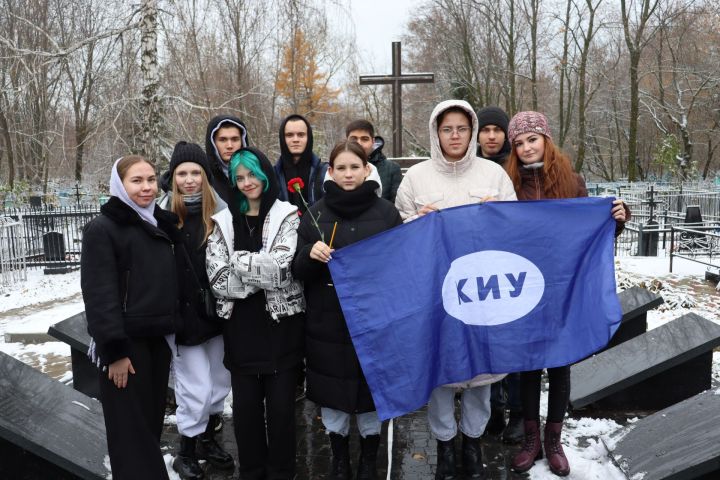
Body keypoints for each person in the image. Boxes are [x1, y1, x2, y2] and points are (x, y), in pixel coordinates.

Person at [394, 99, 517, 480]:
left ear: (473, 131)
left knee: (482, 371)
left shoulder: (494, 174)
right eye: (447, 129)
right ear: (436, 131)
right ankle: (445, 444)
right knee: (442, 371)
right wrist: (416, 221)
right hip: (436, 291)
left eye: (462, 129)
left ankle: (473, 444)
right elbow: (398, 230)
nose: (454, 136)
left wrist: (498, 214)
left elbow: (515, 228)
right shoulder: (416, 177)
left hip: (482, 290)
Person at [505, 111, 628, 477]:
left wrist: (617, 219)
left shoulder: (572, 182)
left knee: (559, 363)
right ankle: (531, 440)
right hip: (523, 287)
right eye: (520, 143)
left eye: (533, 139)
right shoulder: (508, 184)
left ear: (546, 139)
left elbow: (589, 233)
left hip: (563, 286)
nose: (527, 147)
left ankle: (554, 440)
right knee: (528, 366)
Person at [292, 140, 402, 480]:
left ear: (367, 169)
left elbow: (401, 265)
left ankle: (369, 458)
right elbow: (297, 271)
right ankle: (339, 459)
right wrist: (310, 253)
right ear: (331, 172)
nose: (348, 173)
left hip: (375, 321)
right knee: (332, 395)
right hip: (329, 323)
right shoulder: (316, 212)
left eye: (355, 166)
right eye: (341, 167)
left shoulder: (386, 213)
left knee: (371, 392)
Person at [206, 147, 305, 480]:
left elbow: (280, 270)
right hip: (241, 332)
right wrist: (257, 270)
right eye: (240, 177)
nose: (247, 182)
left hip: (280, 330)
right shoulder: (222, 222)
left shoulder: (287, 215)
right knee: (246, 414)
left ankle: (281, 473)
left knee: (280, 413)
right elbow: (218, 280)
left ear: (264, 173)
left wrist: (238, 261)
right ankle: (251, 472)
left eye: (252, 174)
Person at [81, 155, 180, 480]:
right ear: (119, 186)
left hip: (157, 341)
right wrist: (115, 352)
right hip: (126, 346)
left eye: (151, 179)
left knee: (147, 428)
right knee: (131, 436)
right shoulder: (104, 229)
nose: (147, 187)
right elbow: (100, 295)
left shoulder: (160, 223)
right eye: (136, 181)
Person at [157, 142, 234, 479]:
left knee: (218, 383)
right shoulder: (162, 217)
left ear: (205, 176)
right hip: (184, 318)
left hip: (216, 314)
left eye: (195, 173)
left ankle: (206, 437)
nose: (189, 180)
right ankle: (185, 449)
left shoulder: (220, 214)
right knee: (195, 388)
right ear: (173, 177)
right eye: (182, 173)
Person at [474, 106, 523, 443]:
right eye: (485, 129)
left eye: (497, 129)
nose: (491, 135)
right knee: (484, 341)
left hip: (511, 263)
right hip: (477, 264)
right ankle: (492, 409)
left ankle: (518, 412)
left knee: (512, 343)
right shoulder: (468, 166)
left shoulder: (516, 165)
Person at [274, 114, 328, 213]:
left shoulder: (325, 172)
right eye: (289, 135)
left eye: (301, 135)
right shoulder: (272, 175)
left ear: (309, 137)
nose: (295, 140)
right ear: (282, 138)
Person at [345, 119, 402, 202]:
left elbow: (396, 206)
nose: (359, 143)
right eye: (354, 139)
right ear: (347, 141)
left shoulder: (391, 169)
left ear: (373, 141)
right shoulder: (337, 168)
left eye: (364, 139)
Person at [205, 115, 250, 203]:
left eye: (235, 139)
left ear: (242, 141)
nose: (229, 146)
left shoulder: (257, 172)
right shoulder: (204, 175)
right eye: (222, 140)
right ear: (213, 143)